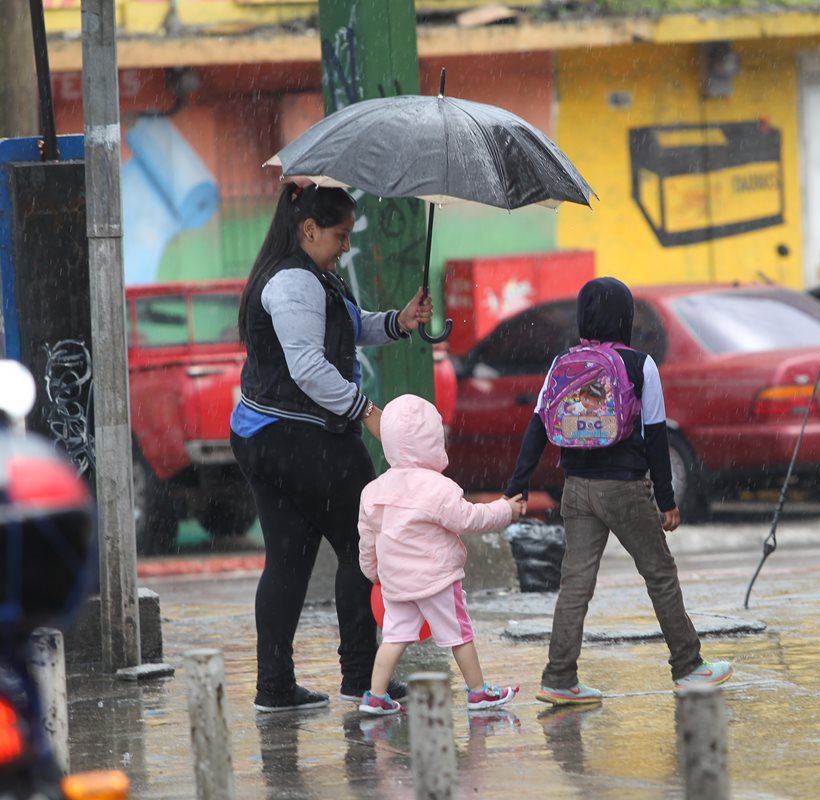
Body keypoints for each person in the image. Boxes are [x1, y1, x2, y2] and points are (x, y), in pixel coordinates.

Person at [230, 181, 433, 713]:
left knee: (288, 561)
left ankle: (275, 686)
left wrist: (398, 321)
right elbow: (310, 368)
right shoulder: (295, 282)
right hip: (304, 438)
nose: (346, 245)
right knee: (364, 548)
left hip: (266, 436)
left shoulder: (306, 274)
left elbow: (343, 328)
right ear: (309, 229)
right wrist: (366, 412)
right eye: (341, 235)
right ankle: (363, 678)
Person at [504, 277, 732, 705]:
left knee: (574, 584)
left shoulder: (561, 364)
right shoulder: (639, 364)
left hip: (576, 489)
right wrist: (667, 500)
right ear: (626, 317)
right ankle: (688, 666)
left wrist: (517, 486)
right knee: (660, 575)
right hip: (625, 488)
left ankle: (558, 678)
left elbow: (536, 428)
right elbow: (656, 436)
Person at [357, 394, 524, 716]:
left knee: (393, 637)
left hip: (394, 582)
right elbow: (470, 519)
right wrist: (506, 510)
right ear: (433, 440)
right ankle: (479, 692)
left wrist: (372, 572)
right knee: (459, 634)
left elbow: (368, 539)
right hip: (437, 579)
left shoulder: (374, 490)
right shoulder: (438, 487)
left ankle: (375, 696)